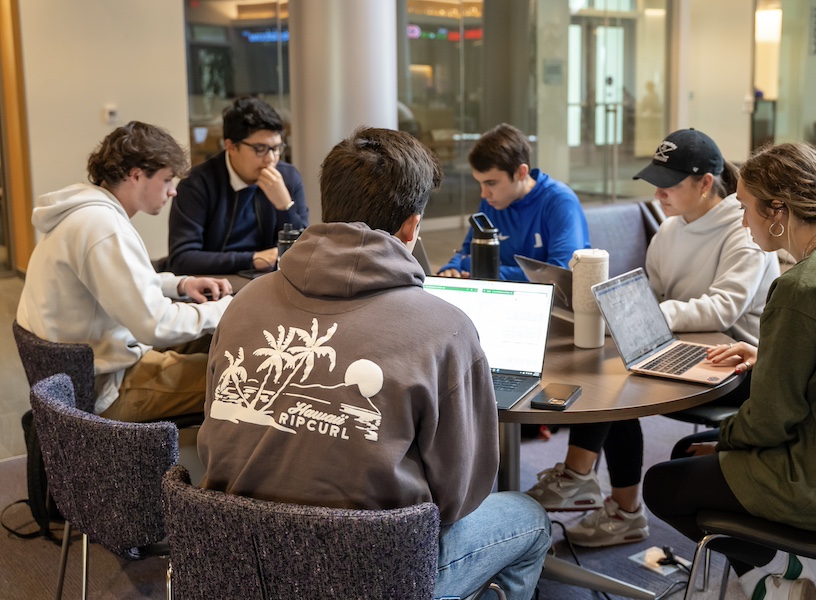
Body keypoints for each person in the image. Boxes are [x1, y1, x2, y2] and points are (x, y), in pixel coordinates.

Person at [197, 127, 551, 600]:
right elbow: (459, 499)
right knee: (529, 517)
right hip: (375, 577)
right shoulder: (444, 330)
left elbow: (213, 441)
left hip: (241, 565)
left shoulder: (243, 303)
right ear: (411, 228)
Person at [642, 142, 816, 599]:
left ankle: (779, 569)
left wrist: (722, 443)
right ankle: (779, 569)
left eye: (745, 208)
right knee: (693, 453)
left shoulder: (801, 285)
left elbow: (771, 421)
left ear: (778, 210)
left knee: (661, 483)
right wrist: (767, 357)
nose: (741, 220)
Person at [525, 129, 779, 548]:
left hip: (739, 366)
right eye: (655, 182)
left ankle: (590, 484)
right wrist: (622, 315)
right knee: (609, 367)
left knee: (618, 382)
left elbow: (722, 308)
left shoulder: (743, 229)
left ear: (704, 183)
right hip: (682, 350)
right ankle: (599, 491)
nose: (658, 193)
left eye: (669, 184)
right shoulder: (670, 229)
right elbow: (653, 296)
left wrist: (645, 317)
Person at [16, 121, 233, 422]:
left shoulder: (84, 212)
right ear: (136, 175)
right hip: (108, 388)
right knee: (237, 376)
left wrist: (181, 285)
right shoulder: (104, 228)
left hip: (91, 366)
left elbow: (117, 284)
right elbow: (155, 325)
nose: (173, 192)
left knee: (208, 340)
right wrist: (227, 308)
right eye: (168, 180)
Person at [167, 96, 309, 275]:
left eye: (277, 148)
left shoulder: (288, 177)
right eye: (260, 148)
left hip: (268, 283)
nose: (271, 159)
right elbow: (182, 259)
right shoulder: (197, 183)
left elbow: (304, 253)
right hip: (215, 283)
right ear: (231, 146)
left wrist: (285, 207)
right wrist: (254, 259)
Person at [437, 123, 589, 281]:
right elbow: (468, 251)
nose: (484, 194)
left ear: (520, 173)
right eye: (480, 183)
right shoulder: (493, 201)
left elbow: (559, 274)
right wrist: (453, 267)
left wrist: (486, 272)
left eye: (491, 183)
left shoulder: (560, 201)